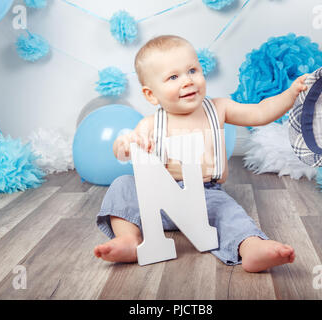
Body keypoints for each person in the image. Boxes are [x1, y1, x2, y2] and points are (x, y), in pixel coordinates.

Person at [94, 35, 307, 272]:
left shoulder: (219, 108)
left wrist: (291, 94)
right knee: (122, 185)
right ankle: (129, 240)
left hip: (204, 196)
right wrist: (126, 143)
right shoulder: (151, 123)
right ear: (151, 94)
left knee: (229, 213)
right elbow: (122, 151)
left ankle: (251, 247)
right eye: (173, 77)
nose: (187, 81)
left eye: (192, 70)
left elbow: (260, 112)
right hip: (156, 200)